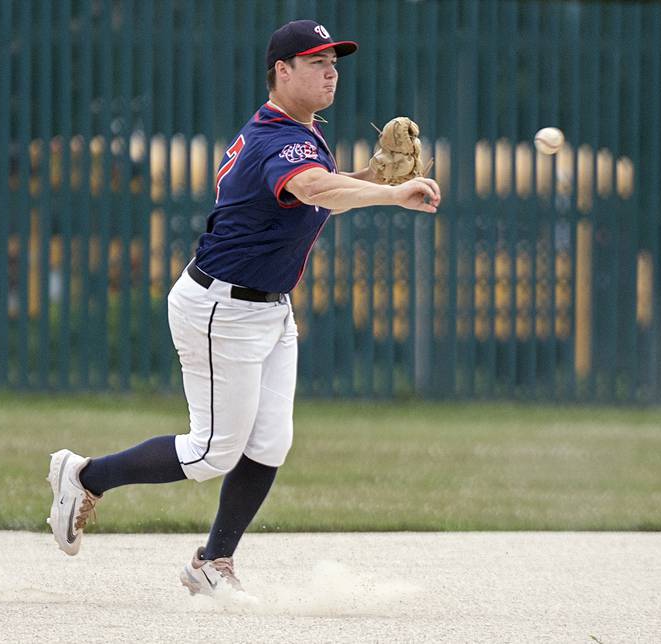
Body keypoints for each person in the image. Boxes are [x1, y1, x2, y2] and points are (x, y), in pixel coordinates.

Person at [47, 19, 440, 596]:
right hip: (220, 311)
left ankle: (213, 562)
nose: (331, 70)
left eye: (335, 60)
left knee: (270, 442)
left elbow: (314, 193)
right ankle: (85, 476)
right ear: (282, 71)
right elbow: (312, 189)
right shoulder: (279, 140)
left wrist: (369, 177)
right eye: (316, 61)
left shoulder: (298, 132)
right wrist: (388, 193)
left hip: (270, 311)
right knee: (211, 451)